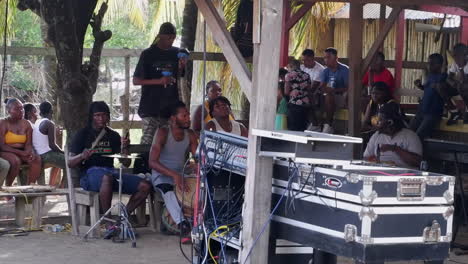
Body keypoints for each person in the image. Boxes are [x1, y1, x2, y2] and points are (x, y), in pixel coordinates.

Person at [68, 101, 151, 216]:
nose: (101, 118)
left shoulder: (113, 136)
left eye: (104, 115)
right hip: (89, 176)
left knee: (145, 186)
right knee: (107, 178)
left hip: (112, 173)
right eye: (97, 115)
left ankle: (122, 218)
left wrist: (125, 148)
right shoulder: (82, 134)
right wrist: (82, 156)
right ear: (91, 117)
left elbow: (126, 163)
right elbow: (70, 163)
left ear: (108, 116)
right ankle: (108, 220)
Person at [149, 101, 198, 242]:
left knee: (200, 186)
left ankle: (199, 223)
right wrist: (174, 175)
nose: (188, 118)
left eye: (188, 115)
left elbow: (198, 158)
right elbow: (152, 162)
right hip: (161, 175)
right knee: (168, 190)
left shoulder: (191, 134)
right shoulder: (162, 132)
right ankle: (183, 225)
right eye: (184, 115)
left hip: (182, 173)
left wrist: (197, 166)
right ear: (173, 118)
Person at [133, 22, 187, 145]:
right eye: (169, 37)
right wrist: (159, 81)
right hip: (150, 107)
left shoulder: (176, 53)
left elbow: (179, 76)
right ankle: (144, 164)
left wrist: (181, 66)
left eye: (173, 37)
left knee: (168, 144)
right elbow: (136, 80)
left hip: (170, 108)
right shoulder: (148, 54)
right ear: (160, 36)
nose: (172, 40)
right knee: (148, 143)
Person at [364, 102, 422, 169]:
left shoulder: (411, 136)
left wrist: (395, 149)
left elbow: (417, 162)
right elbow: (366, 158)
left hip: (404, 176)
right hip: (380, 174)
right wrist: (374, 161)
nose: (377, 123)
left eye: (380, 120)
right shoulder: (376, 135)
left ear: (390, 122)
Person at [0, 98, 42, 186]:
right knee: (16, 161)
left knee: (36, 159)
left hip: (21, 151)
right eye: (16, 109)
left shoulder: (27, 124)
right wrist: (21, 153)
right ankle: (8, 189)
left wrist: (28, 152)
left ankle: (29, 187)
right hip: (5, 151)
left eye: (22, 108)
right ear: (8, 111)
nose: (21, 111)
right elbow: (2, 146)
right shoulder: (3, 123)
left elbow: (28, 143)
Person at [410, 53, 446, 139]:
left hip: (433, 114)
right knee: (407, 132)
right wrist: (420, 86)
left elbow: (444, 94)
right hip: (421, 111)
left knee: (418, 136)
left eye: (432, 64)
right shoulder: (430, 76)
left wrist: (439, 88)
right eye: (428, 63)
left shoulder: (443, 77)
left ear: (440, 65)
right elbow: (428, 89)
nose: (429, 66)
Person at [33, 101, 67, 187]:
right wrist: (63, 153)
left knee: (61, 160)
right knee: (69, 163)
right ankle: (63, 187)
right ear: (51, 111)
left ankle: (55, 186)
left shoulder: (37, 122)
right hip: (46, 155)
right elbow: (52, 145)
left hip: (38, 154)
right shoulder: (49, 123)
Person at [319, 47, 349, 134]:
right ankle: (316, 124)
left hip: (342, 96)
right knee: (318, 96)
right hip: (330, 95)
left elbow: (349, 88)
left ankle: (328, 125)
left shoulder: (345, 70)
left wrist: (334, 90)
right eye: (324, 57)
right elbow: (322, 86)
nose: (325, 60)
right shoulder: (326, 71)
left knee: (328, 97)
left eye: (328, 57)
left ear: (336, 58)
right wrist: (325, 89)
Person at [300, 49, 325, 131]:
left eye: (306, 60)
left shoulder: (320, 69)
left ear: (312, 58)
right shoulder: (302, 67)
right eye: (303, 60)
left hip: (315, 92)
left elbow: (313, 88)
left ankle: (315, 124)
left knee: (307, 97)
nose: (304, 62)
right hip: (303, 90)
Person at [284, 58, 312, 131]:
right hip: (305, 104)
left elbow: (286, 92)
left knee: (293, 127)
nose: (288, 69)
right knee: (302, 127)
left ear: (291, 66)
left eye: (288, 67)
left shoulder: (288, 75)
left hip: (294, 103)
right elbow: (309, 90)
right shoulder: (307, 75)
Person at [447, 43, 468, 123]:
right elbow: (448, 78)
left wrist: (460, 67)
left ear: (466, 55)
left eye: (456, 55)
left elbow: (464, 81)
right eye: (454, 55)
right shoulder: (455, 63)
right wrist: (454, 84)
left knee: (463, 86)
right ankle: (454, 112)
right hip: (461, 87)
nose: (454, 57)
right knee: (440, 86)